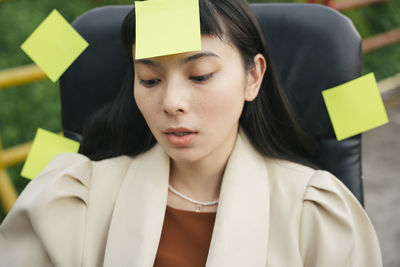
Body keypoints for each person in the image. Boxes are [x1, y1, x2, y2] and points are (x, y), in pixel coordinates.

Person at [0, 0, 382, 266]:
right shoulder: (72, 198)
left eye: (200, 75)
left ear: (254, 76)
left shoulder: (315, 209)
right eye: (149, 79)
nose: (172, 102)